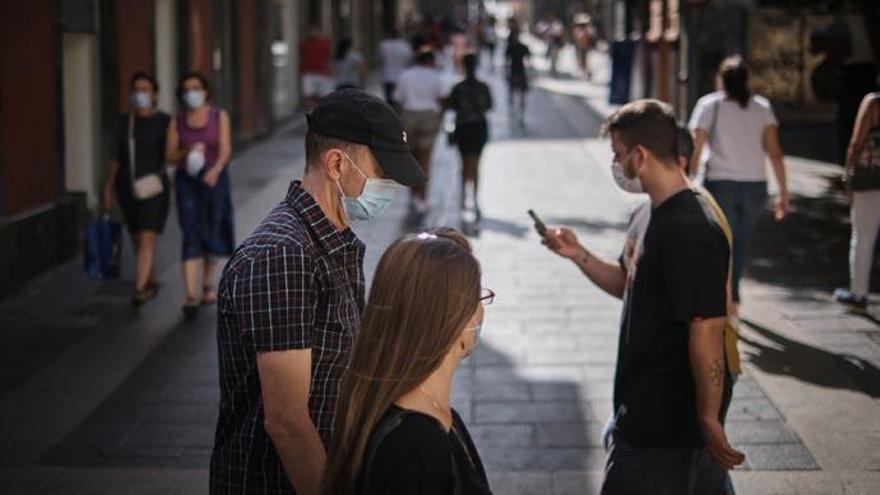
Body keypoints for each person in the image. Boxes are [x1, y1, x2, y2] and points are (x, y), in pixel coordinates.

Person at [209, 89, 424, 495]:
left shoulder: (333, 241)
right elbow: (287, 422)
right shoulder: (284, 255)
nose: (391, 186)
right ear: (337, 164)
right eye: (383, 172)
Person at [543, 100, 745, 494]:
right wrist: (578, 255)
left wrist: (708, 418)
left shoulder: (692, 228)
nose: (617, 165)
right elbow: (626, 284)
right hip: (647, 408)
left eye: (619, 155)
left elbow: (707, 332)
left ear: (641, 155)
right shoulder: (651, 214)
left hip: (665, 423)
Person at [321, 228, 493, 495]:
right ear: (455, 319)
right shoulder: (414, 445)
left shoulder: (436, 415)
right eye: (478, 296)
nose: (481, 310)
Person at [689, 55, 789, 310]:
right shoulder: (762, 107)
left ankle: (727, 296)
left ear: (721, 79)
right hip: (755, 187)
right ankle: (732, 294)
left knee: (722, 244)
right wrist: (783, 192)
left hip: (720, 184)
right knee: (740, 243)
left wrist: (688, 182)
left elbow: (695, 151)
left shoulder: (709, 105)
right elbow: (775, 153)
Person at [165, 72, 234, 317]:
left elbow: (225, 149)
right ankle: (190, 295)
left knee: (212, 227)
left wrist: (215, 170)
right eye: (186, 89)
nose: (191, 92)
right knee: (190, 228)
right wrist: (186, 152)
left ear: (205, 90)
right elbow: (169, 156)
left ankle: (207, 284)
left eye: (196, 87)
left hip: (215, 178)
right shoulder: (177, 121)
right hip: (188, 181)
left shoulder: (219, 116)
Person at [102, 72, 171, 307]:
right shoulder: (124, 122)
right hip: (127, 188)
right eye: (136, 90)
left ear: (154, 95)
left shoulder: (164, 121)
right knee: (136, 238)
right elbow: (115, 158)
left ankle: (139, 288)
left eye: (145, 90)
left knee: (147, 235)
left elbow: (171, 154)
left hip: (155, 188)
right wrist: (108, 189)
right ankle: (148, 277)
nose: (140, 94)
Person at [834, 91, 880, 313]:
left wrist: (848, 177)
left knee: (863, 238)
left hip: (871, 181)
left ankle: (859, 295)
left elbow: (856, 142)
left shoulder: (873, 103)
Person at [393, 48, 447, 214]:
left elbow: (397, 99)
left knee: (412, 159)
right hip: (428, 117)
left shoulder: (406, 75)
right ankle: (422, 196)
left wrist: (400, 118)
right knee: (425, 159)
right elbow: (442, 98)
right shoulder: (434, 76)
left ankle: (413, 194)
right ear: (430, 61)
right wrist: (440, 118)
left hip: (409, 117)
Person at [446, 52, 493, 224]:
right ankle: (474, 197)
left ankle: (464, 199)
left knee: (464, 163)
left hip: (463, 127)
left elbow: (451, 105)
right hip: (479, 126)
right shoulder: (483, 87)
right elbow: (489, 105)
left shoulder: (458, 88)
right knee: (476, 164)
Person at [300, 27, 334, 110]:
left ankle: (320, 112)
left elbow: (328, 57)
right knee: (309, 95)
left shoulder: (324, 43)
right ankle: (312, 113)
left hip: (321, 73)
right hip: (309, 73)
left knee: (324, 96)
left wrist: (330, 69)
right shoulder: (304, 45)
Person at [379, 28, 414, 104]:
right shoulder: (405, 46)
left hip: (388, 77)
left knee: (389, 103)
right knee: (401, 102)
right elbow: (409, 61)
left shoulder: (384, 46)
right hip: (401, 77)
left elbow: (381, 60)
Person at [504, 28, 531, 126]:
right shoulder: (522, 47)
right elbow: (528, 61)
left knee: (514, 93)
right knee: (521, 95)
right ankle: (520, 114)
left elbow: (507, 61)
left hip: (514, 72)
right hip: (520, 72)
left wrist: (506, 72)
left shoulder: (511, 47)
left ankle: (516, 111)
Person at [571, 14, 594, 80]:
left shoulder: (587, 29)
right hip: (579, 47)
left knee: (586, 61)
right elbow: (576, 37)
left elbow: (591, 36)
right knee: (580, 60)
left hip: (586, 47)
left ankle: (586, 73)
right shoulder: (577, 30)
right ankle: (583, 73)